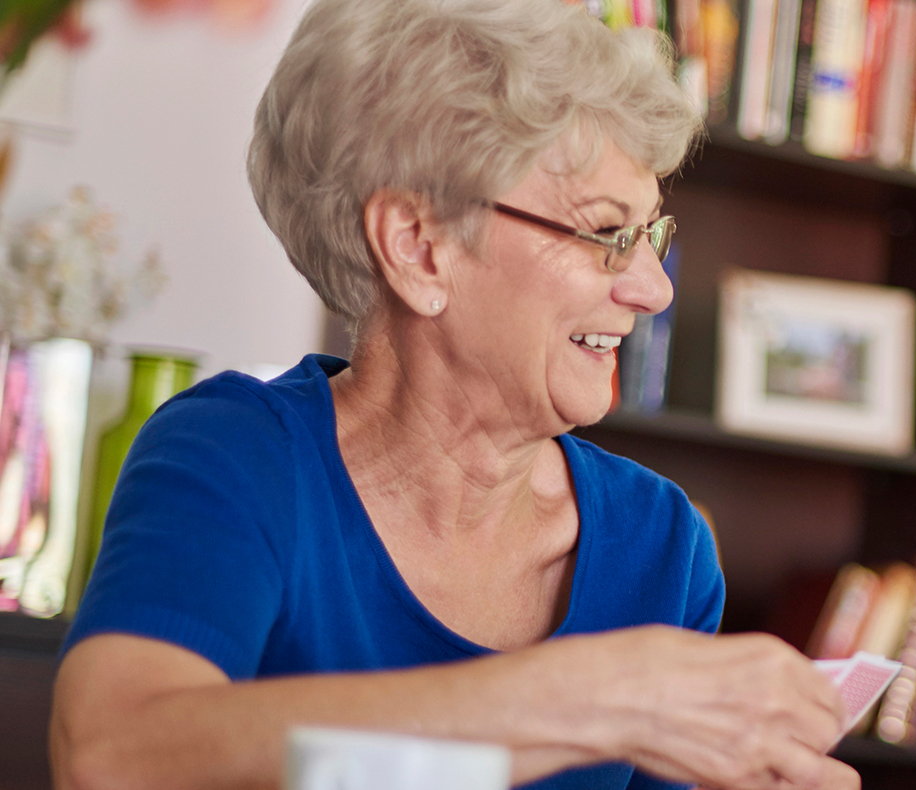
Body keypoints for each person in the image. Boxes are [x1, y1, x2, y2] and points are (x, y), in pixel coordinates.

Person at [49, 1, 856, 789]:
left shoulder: (662, 544)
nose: (653, 289)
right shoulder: (237, 459)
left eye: (651, 234)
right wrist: (594, 698)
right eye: (610, 233)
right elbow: (114, 757)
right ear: (418, 247)